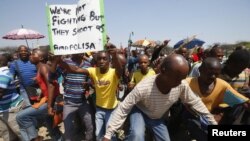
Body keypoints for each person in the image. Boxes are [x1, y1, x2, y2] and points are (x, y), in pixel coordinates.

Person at [102, 54, 217, 141]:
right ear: (163, 71)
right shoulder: (143, 87)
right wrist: (108, 135)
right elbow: (123, 108)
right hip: (140, 111)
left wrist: (212, 123)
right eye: (176, 77)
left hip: (156, 117)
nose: (179, 82)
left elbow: (196, 103)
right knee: (137, 135)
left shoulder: (181, 85)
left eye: (182, 78)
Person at [56, 43, 125, 140]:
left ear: (109, 61)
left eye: (105, 59)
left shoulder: (114, 73)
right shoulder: (93, 70)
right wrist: (59, 61)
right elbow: (75, 69)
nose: (101, 61)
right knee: (98, 134)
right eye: (99, 59)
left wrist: (114, 55)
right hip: (99, 109)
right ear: (96, 60)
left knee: (110, 134)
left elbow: (120, 70)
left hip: (112, 109)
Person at [185, 57, 250, 141]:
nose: (213, 77)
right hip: (192, 116)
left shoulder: (222, 85)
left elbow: (243, 102)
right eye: (209, 73)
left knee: (240, 107)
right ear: (200, 70)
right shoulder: (187, 83)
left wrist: (219, 115)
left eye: (216, 74)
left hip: (212, 116)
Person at [16, 48, 62, 141]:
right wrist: (41, 95)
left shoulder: (43, 67)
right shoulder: (40, 67)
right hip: (49, 99)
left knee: (21, 117)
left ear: (40, 58)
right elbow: (47, 84)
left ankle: (34, 138)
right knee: (51, 126)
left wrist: (49, 106)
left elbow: (51, 85)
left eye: (33, 54)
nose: (30, 56)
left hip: (52, 101)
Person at [0, 53, 24, 141]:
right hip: (3, 110)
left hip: (11, 110)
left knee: (22, 134)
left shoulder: (3, 74)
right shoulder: (8, 71)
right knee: (8, 136)